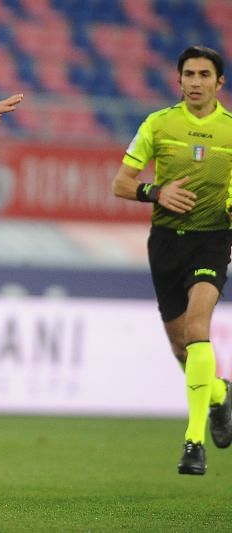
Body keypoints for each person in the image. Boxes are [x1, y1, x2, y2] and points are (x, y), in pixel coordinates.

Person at [111, 45, 232, 476]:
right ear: (178, 80)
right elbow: (121, 185)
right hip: (165, 243)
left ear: (220, 83)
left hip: (213, 241)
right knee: (182, 346)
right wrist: (156, 192)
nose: (195, 82)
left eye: (204, 75)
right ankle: (218, 394)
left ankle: (193, 441)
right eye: (189, 74)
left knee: (199, 328)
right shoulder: (159, 125)